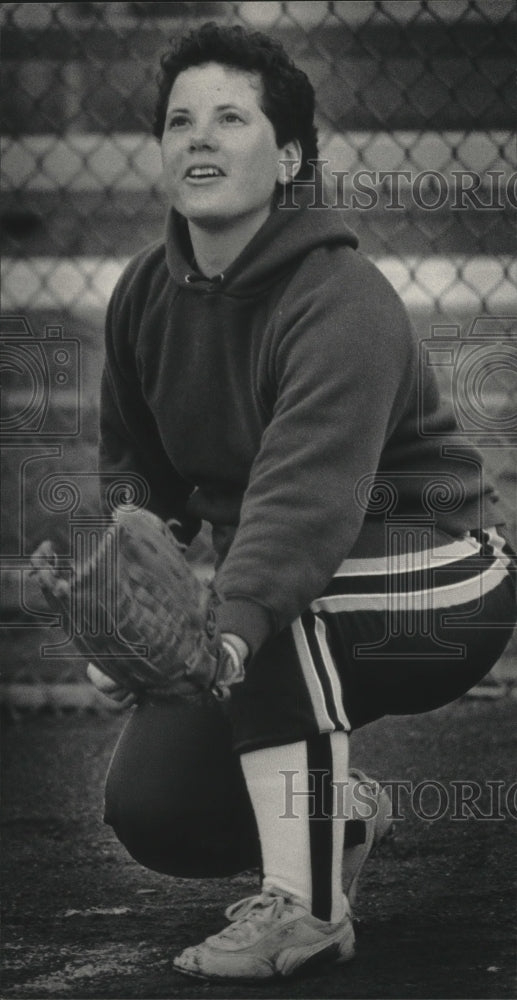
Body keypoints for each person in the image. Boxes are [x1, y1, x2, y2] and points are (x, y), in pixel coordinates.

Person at [88, 21, 517, 982]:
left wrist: (233, 625)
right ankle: (339, 814)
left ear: (287, 158)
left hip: (441, 572)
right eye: (179, 121)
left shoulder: (341, 297)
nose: (198, 137)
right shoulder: (144, 295)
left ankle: (307, 910)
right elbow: (138, 482)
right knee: (159, 806)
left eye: (229, 118)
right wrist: (127, 609)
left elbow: (303, 504)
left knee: (273, 606)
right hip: (293, 574)